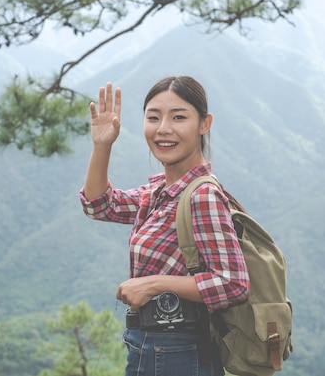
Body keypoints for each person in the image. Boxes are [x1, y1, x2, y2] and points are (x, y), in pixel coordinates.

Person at [79, 76, 250, 376]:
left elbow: (233, 283)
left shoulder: (201, 196)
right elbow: (99, 205)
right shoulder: (160, 193)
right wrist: (101, 145)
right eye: (153, 117)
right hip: (154, 345)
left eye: (179, 117)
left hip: (178, 351)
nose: (163, 129)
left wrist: (155, 284)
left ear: (204, 124)